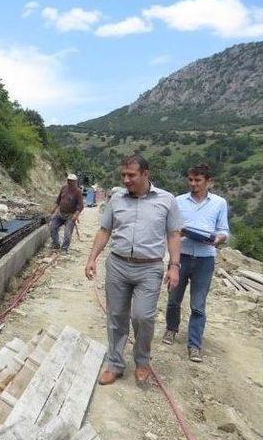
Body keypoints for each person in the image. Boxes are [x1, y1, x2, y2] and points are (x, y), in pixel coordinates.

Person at [85, 154, 183, 386]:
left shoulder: (167, 200)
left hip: (149, 268)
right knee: (116, 316)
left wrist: (174, 266)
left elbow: (174, 234)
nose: (126, 180)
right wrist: (92, 258)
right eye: (123, 175)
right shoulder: (116, 199)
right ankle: (115, 364)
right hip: (118, 264)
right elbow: (104, 230)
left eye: (132, 175)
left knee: (143, 316)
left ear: (145, 174)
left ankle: (142, 361)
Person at [162, 164, 229, 362]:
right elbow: (170, 228)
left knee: (198, 305)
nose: (193, 184)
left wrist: (217, 239)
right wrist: (178, 233)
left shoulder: (219, 203)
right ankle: (171, 329)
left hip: (205, 259)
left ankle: (194, 344)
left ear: (209, 181)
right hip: (180, 257)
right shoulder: (178, 201)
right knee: (174, 298)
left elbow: (224, 230)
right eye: (190, 180)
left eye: (198, 180)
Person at [49, 174, 83, 253]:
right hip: (60, 214)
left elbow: (80, 206)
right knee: (52, 227)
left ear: (75, 182)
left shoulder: (78, 191)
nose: (70, 182)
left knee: (67, 233)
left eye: (72, 181)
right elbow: (58, 200)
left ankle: (64, 248)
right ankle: (55, 244)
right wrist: (53, 209)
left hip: (70, 216)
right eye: (68, 180)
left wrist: (75, 215)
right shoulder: (64, 188)